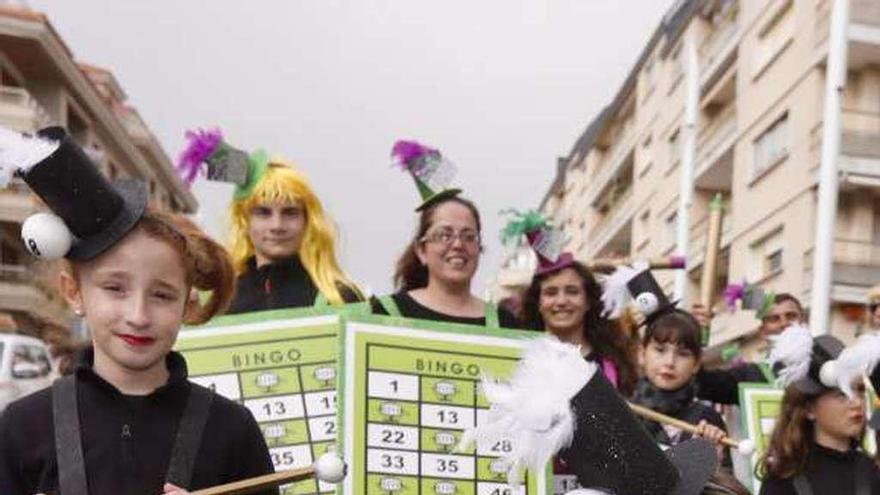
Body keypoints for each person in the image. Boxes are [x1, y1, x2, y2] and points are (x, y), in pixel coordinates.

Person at [0, 127, 275, 495]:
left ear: (187, 304)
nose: (139, 315)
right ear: (74, 292)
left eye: (162, 295)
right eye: (115, 289)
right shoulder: (22, 428)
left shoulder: (231, 430)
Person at [178, 129, 363, 314]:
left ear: (308, 222)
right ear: (244, 221)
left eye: (290, 213)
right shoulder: (215, 302)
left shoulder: (339, 298)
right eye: (263, 213)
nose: (277, 226)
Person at [372, 140, 517, 328]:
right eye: (444, 235)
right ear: (421, 250)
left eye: (468, 236)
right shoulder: (383, 314)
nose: (457, 245)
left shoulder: (507, 325)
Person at [505, 210, 637, 395]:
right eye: (551, 292)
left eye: (572, 291)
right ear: (538, 302)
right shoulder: (518, 360)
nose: (561, 301)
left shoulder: (612, 367)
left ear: (589, 301)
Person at [757, 324, 880, 494]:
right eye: (842, 395)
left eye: (859, 391)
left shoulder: (873, 471)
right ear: (809, 409)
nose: (857, 403)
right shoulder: (784, 477)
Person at [631, 309, 730, 466]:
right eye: (660, 350)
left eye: (683, 354)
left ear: (696, 364)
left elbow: (724, 487)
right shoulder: (623, 409)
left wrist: (711, 461)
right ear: (642, 354)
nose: (670, 362)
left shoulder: (705, 420)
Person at [694, 293, 807, 405]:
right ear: (762, 332)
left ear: (803, 321)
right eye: (774, 319)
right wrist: (694, 338)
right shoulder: (749, 377)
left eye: (791, 316)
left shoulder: (822, 363)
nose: (784, 323)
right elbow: (701, 384)